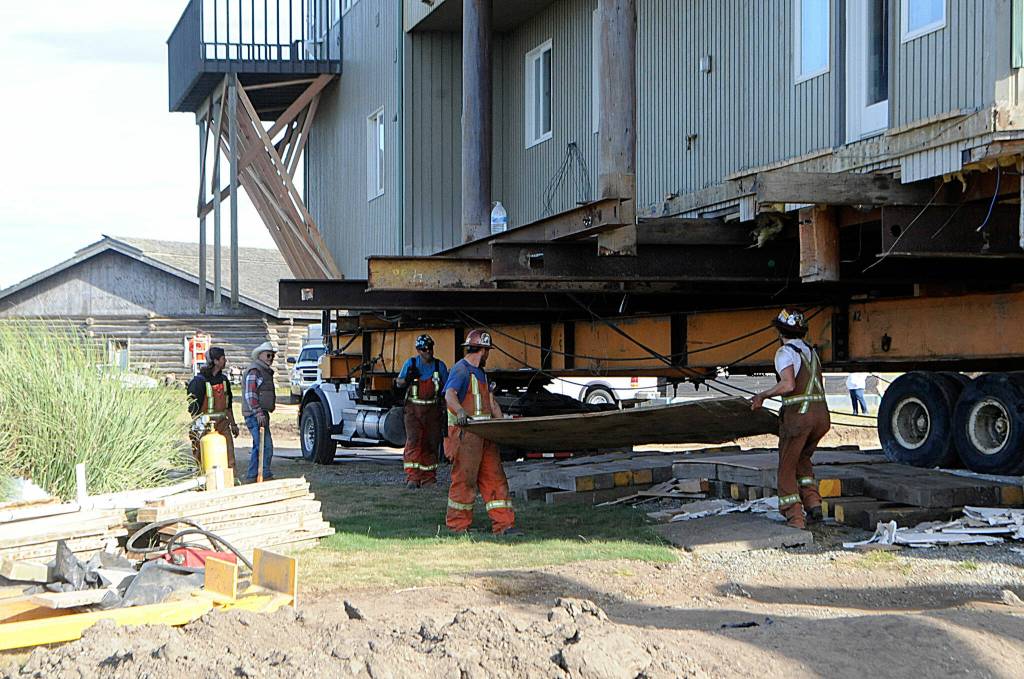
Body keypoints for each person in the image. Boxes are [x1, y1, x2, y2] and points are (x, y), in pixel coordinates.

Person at [751, 310, 831, 529]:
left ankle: (794, 516)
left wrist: (762, 396)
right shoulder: (810, 352)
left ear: (779, 331)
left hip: (799, 418)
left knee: (786, 466)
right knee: (803, 460)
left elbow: (788, 385)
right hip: (821, 417)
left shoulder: (785, 352)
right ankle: (814, 505)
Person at [442, 329, 520, 536]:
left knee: (495, 479)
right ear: (483, 350)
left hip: (485, 436)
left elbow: (491, 402)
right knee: (464, 481)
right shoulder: (461, 370)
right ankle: (458, 526)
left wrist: (502, 425)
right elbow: (449, 395)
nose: (488, 355)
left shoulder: (481, 373)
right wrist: (459, 411)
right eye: (487, 351)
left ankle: (504, 525)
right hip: (466, 436)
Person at [395, 334, 450, 489]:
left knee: (431, 444)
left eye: (430, 348)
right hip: (413, 412)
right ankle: (413, 477)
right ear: (419, 351)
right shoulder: (411, 364)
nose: (428, 352)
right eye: (424, 349)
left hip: (433, 412)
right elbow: (398, 383)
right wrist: (407, 379)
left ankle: (429, 478)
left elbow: (447, 390)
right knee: (414, 442)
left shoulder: (440, 366)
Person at [186, 346, 239, 471]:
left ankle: (230, 483)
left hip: (223, 425)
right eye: (223, 358)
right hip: (204, 426)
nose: (225, 361)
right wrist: (198, 426)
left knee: (229, 458)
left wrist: (233, 424)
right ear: (215, 361)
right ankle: (202, 483)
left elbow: (228, 406)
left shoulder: (224, 380)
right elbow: (192, 407)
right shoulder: (198, 382)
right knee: (203, 458)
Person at [242, 341, 278, 482]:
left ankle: (253, 475)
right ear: (260, 355)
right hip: (256, 414)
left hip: (260, 413)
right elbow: (250, 394)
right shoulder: (255, 371)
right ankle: (263, 474)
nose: (270, 358)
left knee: (259, 445)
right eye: (268, 355)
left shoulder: (262, 371)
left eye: (272, 356)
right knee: (265, 445)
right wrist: (258, 412)